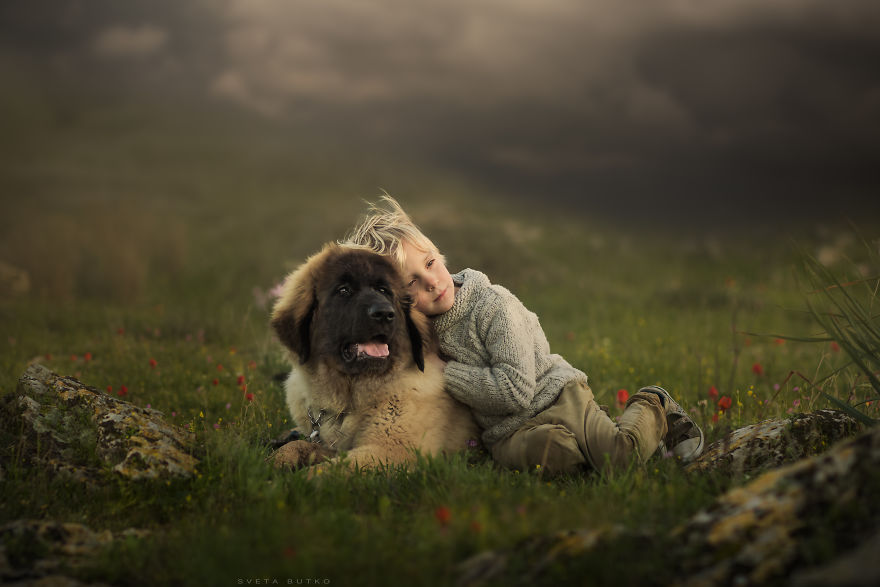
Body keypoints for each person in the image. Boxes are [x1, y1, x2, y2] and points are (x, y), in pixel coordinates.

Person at [342, 195, 704, 475]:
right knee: (557, 459)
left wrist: (445, 371)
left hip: (554, 397)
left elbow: (516, 391)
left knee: (617, 461)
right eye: (412, 283)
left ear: (439, 252)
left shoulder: (492, 306)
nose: (433, 282)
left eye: (431, 263)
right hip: (504, 434)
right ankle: (593, 438)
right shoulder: (421, 328)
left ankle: (652, 405)